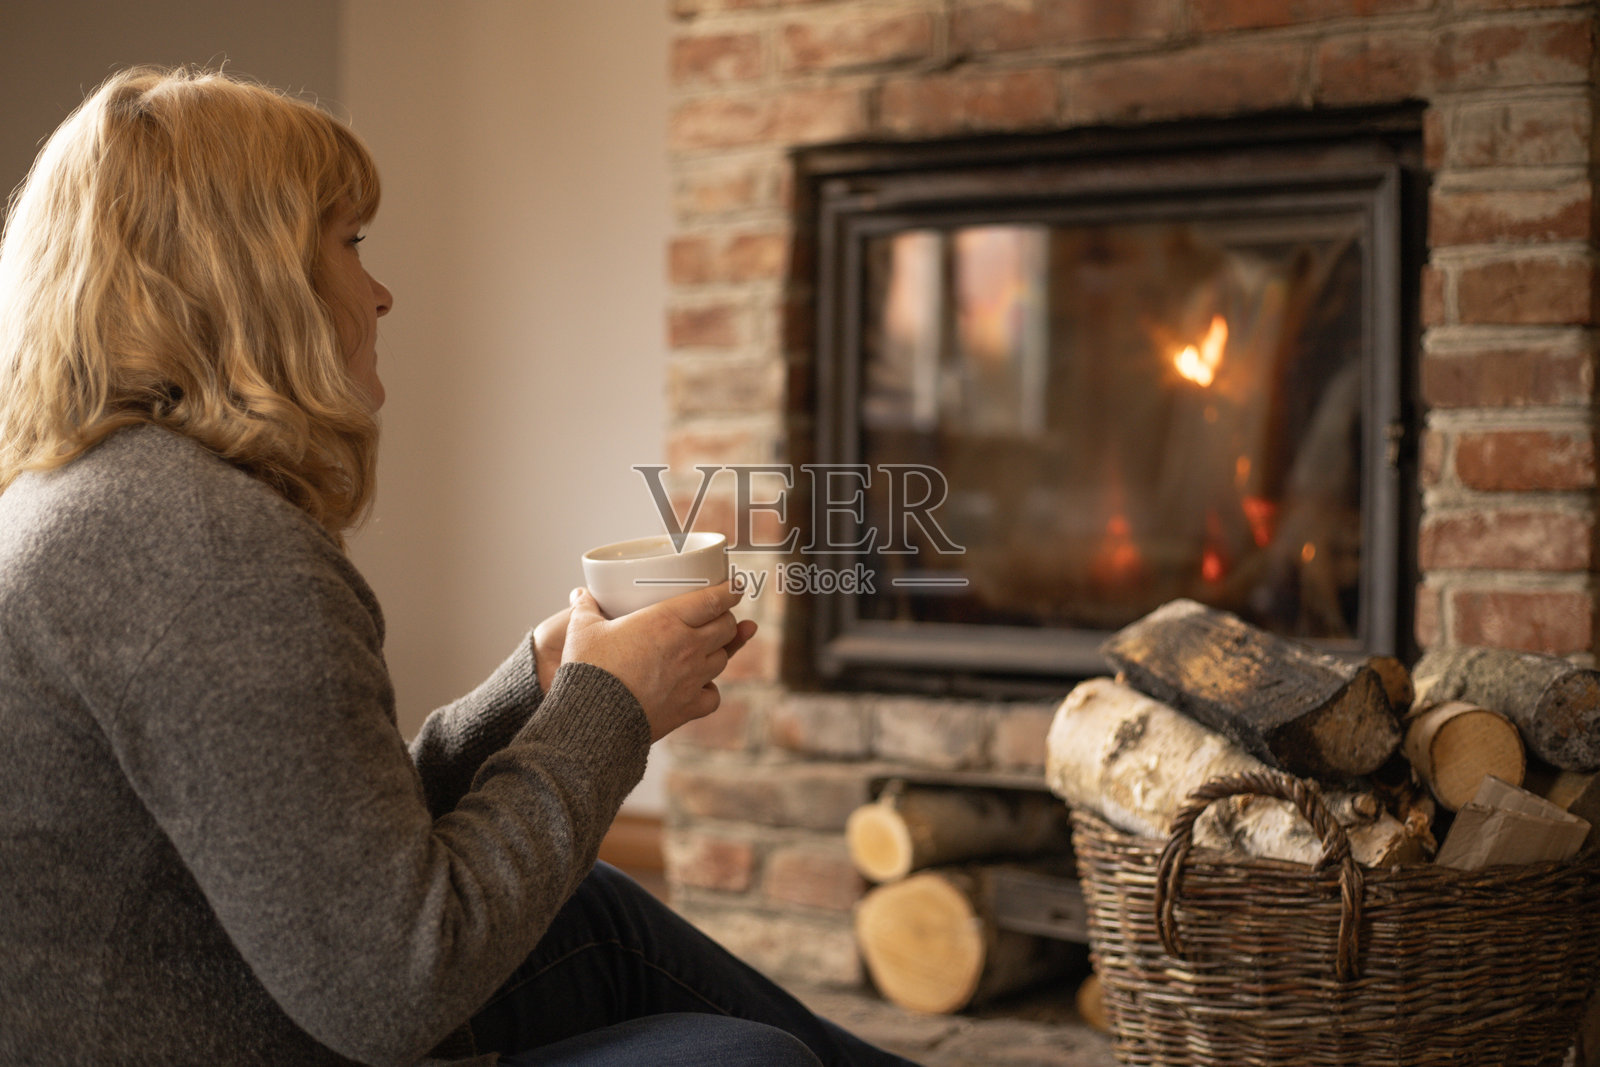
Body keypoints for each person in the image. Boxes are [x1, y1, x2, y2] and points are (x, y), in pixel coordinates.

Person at [0, 66, 919, 1067]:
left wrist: (537, 684)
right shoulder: (207, 553)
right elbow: (394, 985)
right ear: (248, 275)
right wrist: (608, 705)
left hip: (253, 1008)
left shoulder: (102, 495)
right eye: (349, 242)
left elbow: (324, 856)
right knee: (742, 1060)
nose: (380, 290)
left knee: (596, 908)